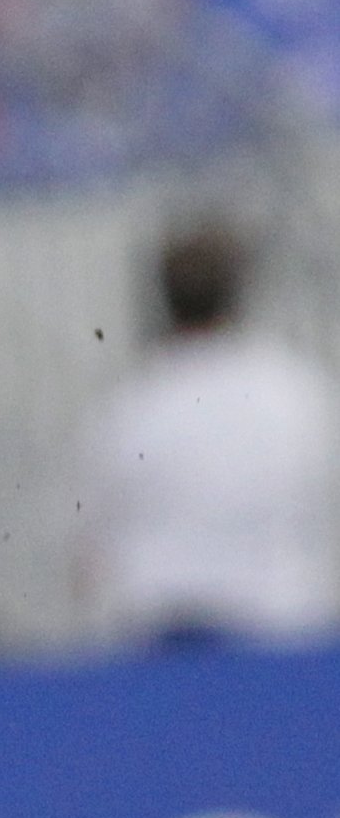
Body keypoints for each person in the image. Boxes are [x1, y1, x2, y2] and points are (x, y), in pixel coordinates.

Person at [82, 219, 339, 651]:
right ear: (239, 291)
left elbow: (91, 551)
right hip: (280, 631)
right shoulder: (294, 391)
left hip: (163, 639)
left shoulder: (131, 406)